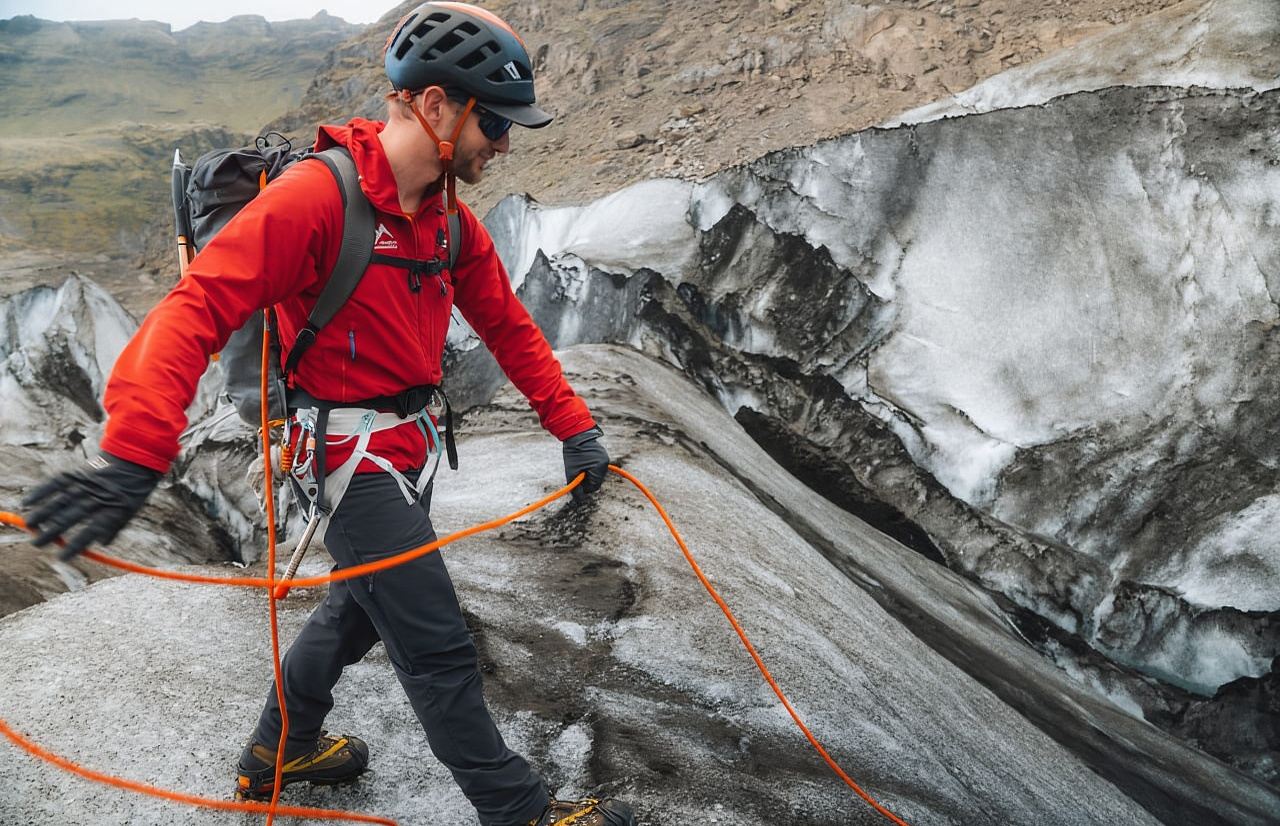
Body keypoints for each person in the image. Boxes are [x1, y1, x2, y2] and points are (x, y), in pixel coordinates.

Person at [22, 4, 636, 825]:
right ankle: (517, 810)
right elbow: (194, 307)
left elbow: (507, 326)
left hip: (406, 449)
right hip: (345, 456)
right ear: (433, 106)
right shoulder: (318, 198)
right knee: (435, 639)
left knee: (358, 609)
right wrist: (135, 451)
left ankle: (281, 749)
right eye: (494, 120)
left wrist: (574, 426)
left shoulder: (446, 216)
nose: (505, 142)